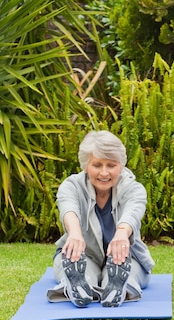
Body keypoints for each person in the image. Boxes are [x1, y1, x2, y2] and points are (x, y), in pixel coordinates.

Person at [47, 130, 154, 307]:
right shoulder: (71, 186)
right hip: (80, 254)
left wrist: (121, 234)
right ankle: (80, 286)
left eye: (111, 165)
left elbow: (132, 212)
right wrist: (74, 234)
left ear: (121, 165)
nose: (104, 172)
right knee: (78, 271)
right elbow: (68, 208)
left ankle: (114, 287)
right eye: (97, 165)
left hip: (125, 256)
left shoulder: (134, 189)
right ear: (86, 166)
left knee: (128, 272)